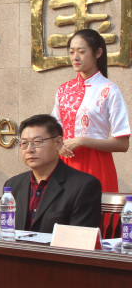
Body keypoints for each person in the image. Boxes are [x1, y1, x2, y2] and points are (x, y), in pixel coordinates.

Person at [52, 28, 129, 233]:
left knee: (93, 227)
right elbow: (53, 129)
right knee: (61, 225)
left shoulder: (109, 90)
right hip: (63, 165)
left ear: (98, 53)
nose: (75, 57)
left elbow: (122, 143)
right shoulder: (63, 89)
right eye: (71, 52)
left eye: (82, 51)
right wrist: (58, 145)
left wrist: (82, 140)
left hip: (96, 165)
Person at [4, 114, 102, 233]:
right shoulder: (13, 185)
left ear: (58, 143)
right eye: (24, 143)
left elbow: (80, 237)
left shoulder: (83, 186)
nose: (29, 149)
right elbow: (4, 230)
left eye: (37, 142)